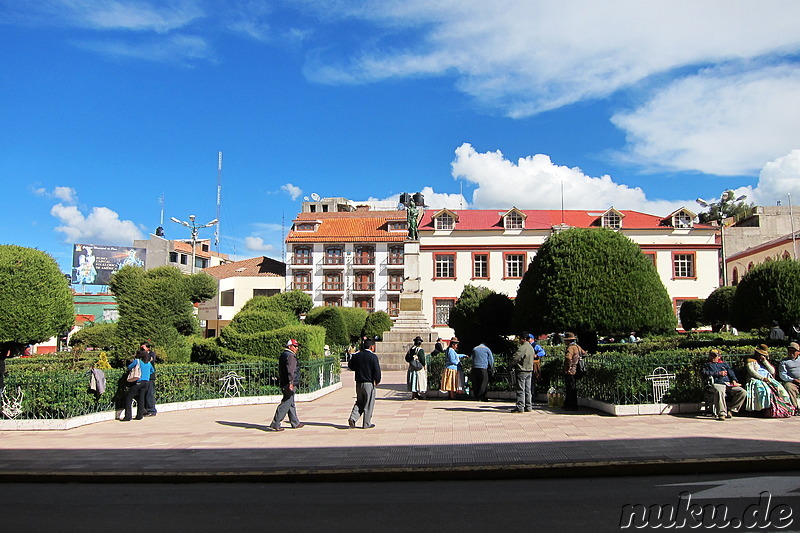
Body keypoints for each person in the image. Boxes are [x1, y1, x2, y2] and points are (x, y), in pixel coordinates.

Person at [744, 344, 794, 417]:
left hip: (768, 379)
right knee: (765, 391)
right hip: (757, 380)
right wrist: (762, 378)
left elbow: (772, 371)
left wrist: (765, 362)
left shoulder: (764, 362)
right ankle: (764, 409)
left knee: (781, 391)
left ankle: (782, 408)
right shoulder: (750, 361)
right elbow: (752, 372)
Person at [270, 339, 305, 431]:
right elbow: (291, 371)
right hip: (289, 383)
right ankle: (276, 423)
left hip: (284, 382)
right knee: (286, 403)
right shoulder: (290, 356)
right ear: (289, 346)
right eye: (295, 346)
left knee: (291, 403)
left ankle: (295, 422)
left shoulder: (283, 355)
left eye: (297, 346)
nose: (297, 348)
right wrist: (291, 383)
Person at [702, 349, 747, 421]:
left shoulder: (724, 364)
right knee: (720, 391)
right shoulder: (707, 364)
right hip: (716, 383)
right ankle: (722, 413)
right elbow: (704, 373)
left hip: (727, 384)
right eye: (711, 355)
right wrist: (718, 373)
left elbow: (731, 373)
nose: (712, 357)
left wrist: (734, 380)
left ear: (719, 357)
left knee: (742, 392)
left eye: (714, 356)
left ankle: (732, 410)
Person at [347, 337, 381, 428]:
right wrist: (377, 380)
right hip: (369, 383)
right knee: (368, 403)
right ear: (371, 347)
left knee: (360, 402)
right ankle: (366, 423)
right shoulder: (373, 357)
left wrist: (358, 369)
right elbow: (376, 370)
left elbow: (350, 365)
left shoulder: (357, 355)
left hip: (359, 382)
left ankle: (353, 418)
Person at [122, 351, 155, 421]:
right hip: (146, 382)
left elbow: (129, 367)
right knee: (141, 399)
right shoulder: (148, 363)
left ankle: (128, 416)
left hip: (139, 381)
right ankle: (139, 415)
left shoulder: (137, 361)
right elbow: (152, 370)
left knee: (128, 397)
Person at [510, 332, 535, 412]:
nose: (519, 340)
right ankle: (528, 406)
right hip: (529, 370)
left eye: (520, 339)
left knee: (521, 389)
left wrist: (511, 364)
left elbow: (516, 357)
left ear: (523, 339)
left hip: (522, 370)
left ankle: (520, 407)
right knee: (528, 389)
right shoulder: (531, 347)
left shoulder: (523, 347)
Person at [562, 332, 585, 411]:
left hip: (571, 370)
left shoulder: (570, 348)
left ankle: (570, 405)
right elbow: (584, 353)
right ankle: (573, 405)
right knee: (573, 388)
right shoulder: (577, 347)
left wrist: (567, 368)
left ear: (568, 341)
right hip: (577, 370)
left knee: (570, 388)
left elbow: (568, 358)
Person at [778, 342, 800, 411]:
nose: (791, 353)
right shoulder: (784, 362)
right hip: (791, 381)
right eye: (789, 351)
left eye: (793, 351)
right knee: (789, 387)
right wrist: (792, 380)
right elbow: (782, 375)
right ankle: (795, 408)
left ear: (798, 352)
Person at [139, 342, 157, 417]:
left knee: (149, 394)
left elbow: (150, 360)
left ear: (148, 348)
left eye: (143, 348)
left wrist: (145, 354)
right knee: (143, 394)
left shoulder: (152, 354)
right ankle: (144, 410)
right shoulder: (141, 355)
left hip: (150, 377)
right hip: (143, 378)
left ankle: (151, 410)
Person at [528, 334, 546, 400]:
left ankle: (532, 394)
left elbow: (543, 352)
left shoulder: (535, 346)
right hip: (528, 364)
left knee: (532, 379)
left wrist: (536, 355)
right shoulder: (527, 346)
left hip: (533, 364)